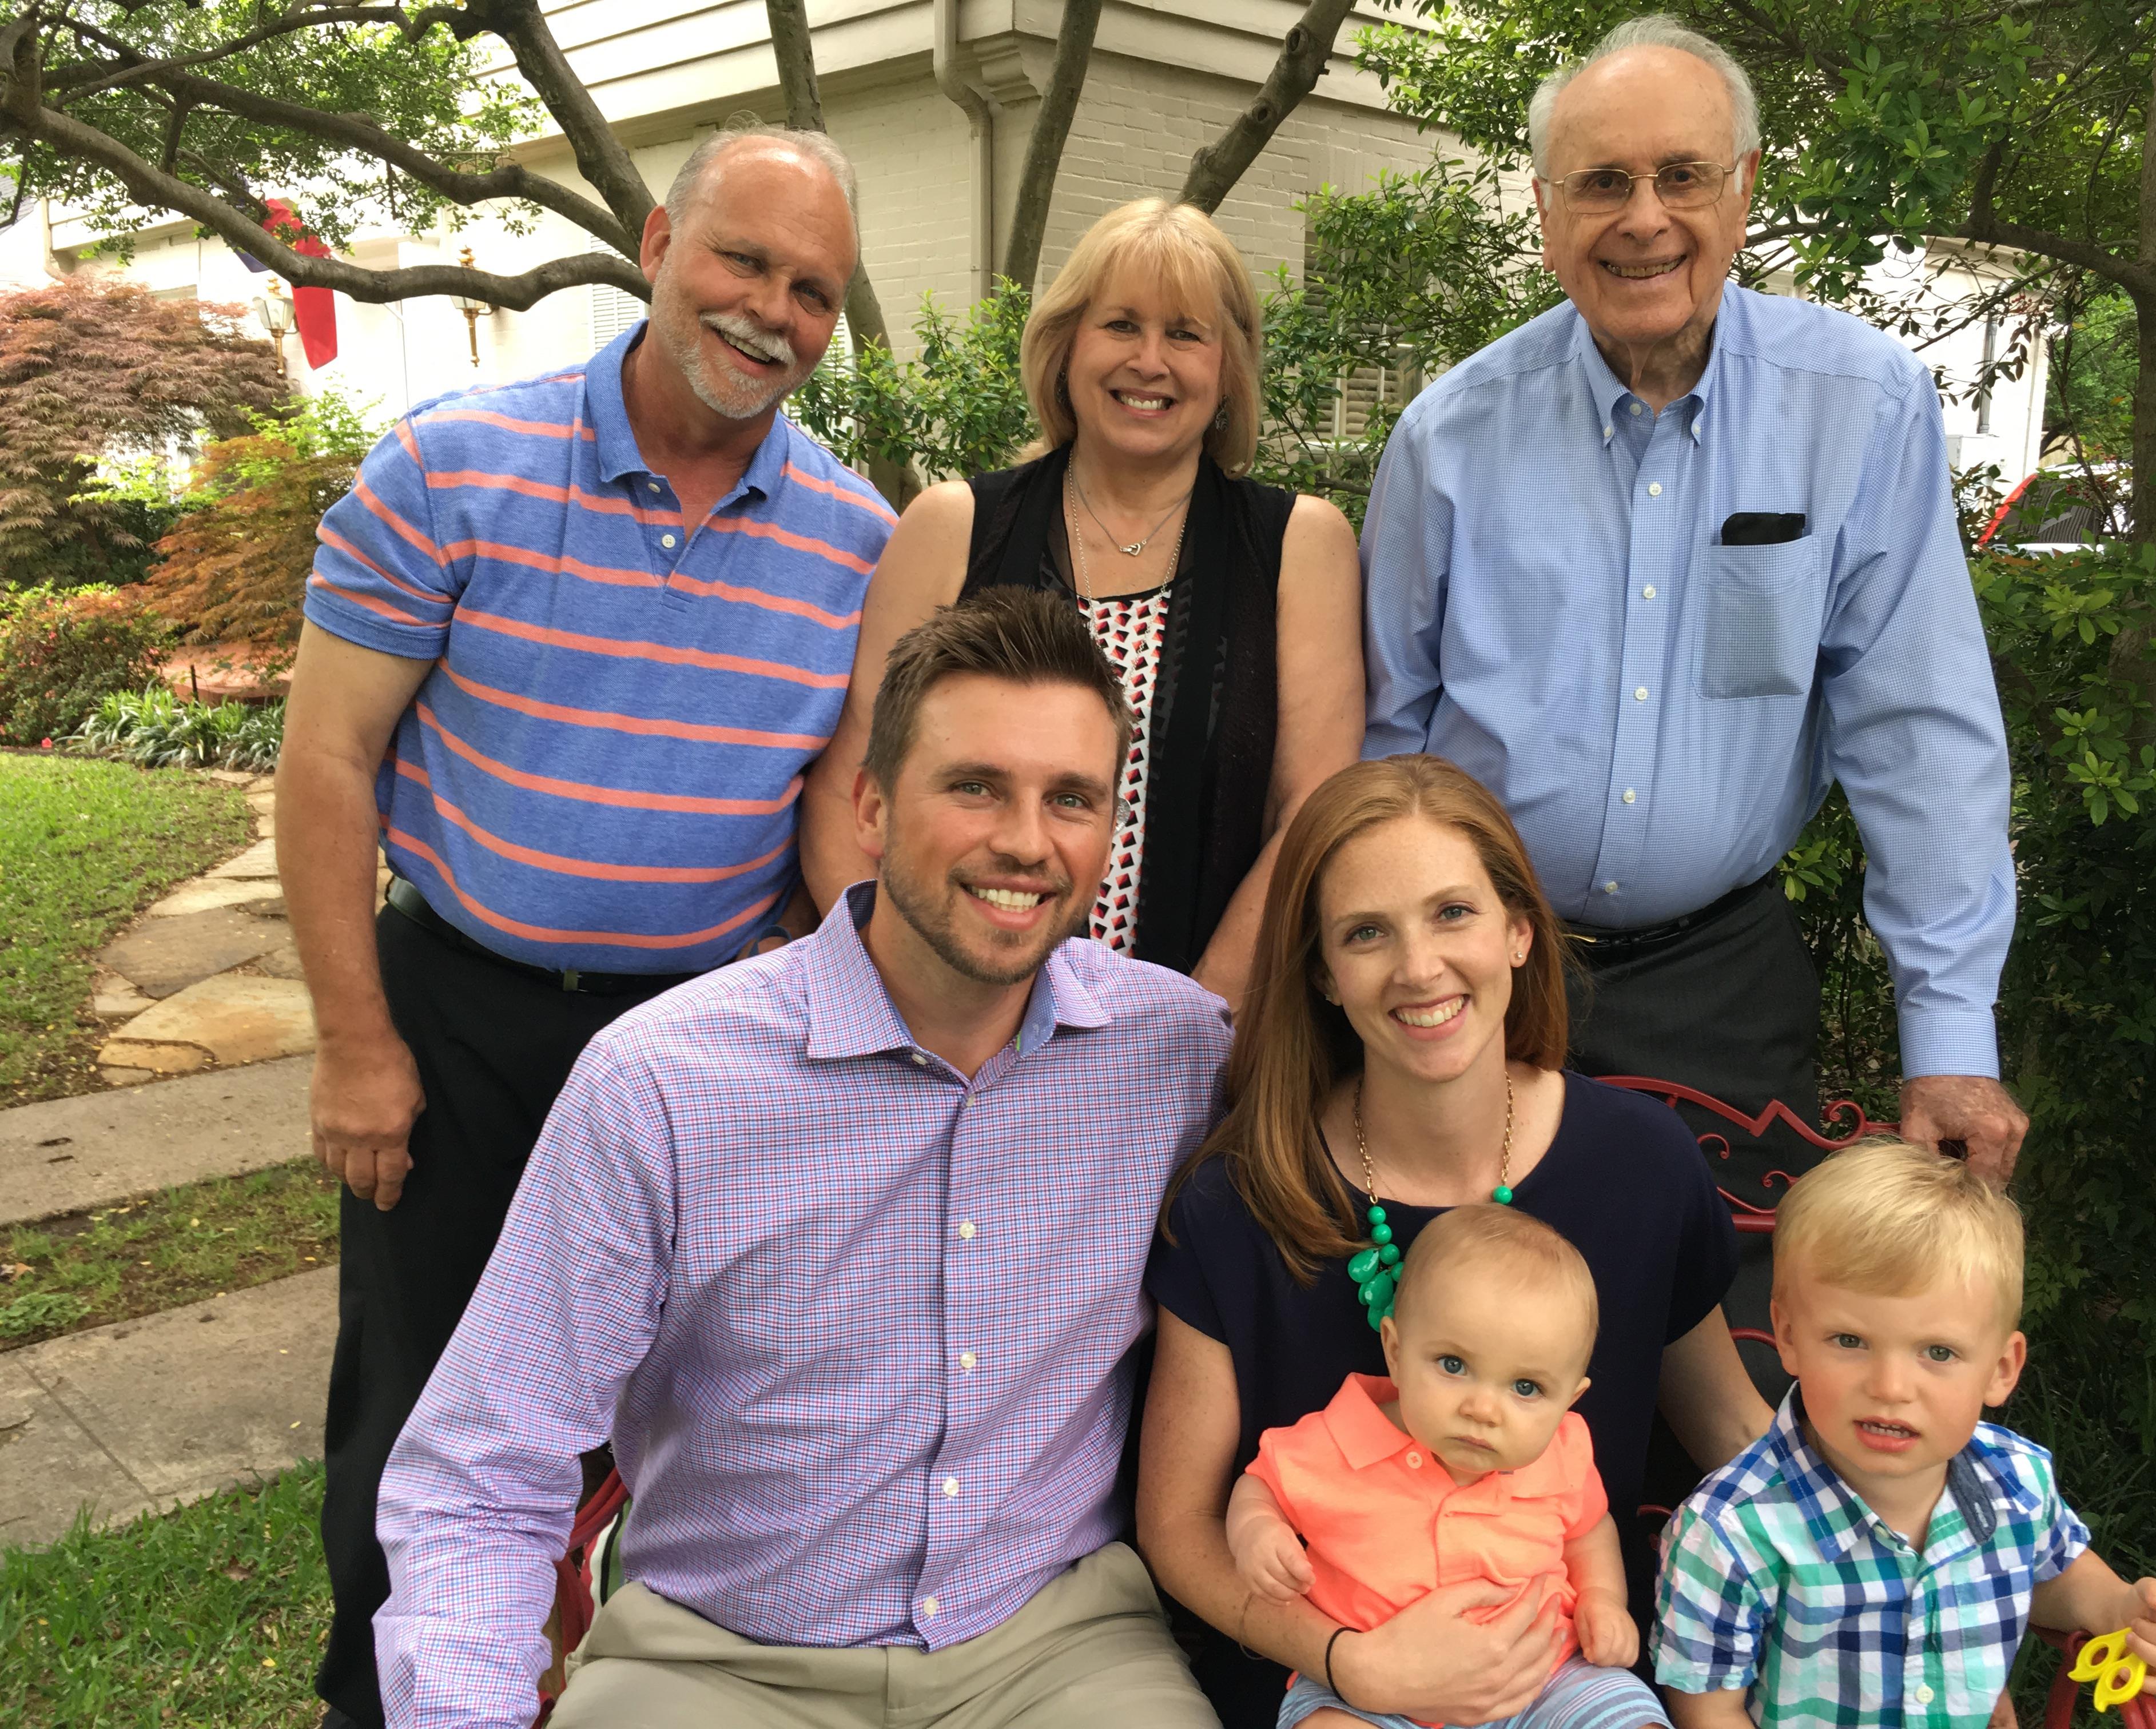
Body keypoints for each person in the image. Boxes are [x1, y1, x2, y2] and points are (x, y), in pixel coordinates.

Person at [274, 124, 893, 1729]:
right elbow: (328, 758)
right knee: (429, 1417)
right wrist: (355, 1042)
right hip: (458, 1016)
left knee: (682, 1426)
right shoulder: (451, 463)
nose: (772, 310)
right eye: (744, 260)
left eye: (812, 290)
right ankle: (385, 1701)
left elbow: (840, 821)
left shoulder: (856, 544)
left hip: (693, 1042)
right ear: (656, 244)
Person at [370, 588, 1232, 1728]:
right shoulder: (665, 1084)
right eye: (975, 786)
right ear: (871, 806)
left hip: (1055, 1653)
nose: (1026, 841)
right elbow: (485, 1467)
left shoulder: (1172, 1051)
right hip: (717, 1663)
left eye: (1069, 798)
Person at [1358, 18, 2028, 1289]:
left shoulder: (1859, 408)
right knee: (1473, 1365)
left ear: (1745, 188)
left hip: (1724, 980)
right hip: (1483, 977)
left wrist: (1950, 1037)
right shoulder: (1447, 438)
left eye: (1682, 176)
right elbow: (1388, 741)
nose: (1644, 220)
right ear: (1549, 213)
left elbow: (1916, 732)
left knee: (1733, 1369)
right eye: (1602, 184)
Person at [1136, 755, 1772, 1729]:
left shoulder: (1639, 1166)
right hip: (1336, 1669)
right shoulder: (1240, 1199)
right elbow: (1177, 1527)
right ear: (1323, 972)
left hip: (1557, 1671)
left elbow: (1730, 1433)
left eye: (1453, 913)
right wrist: (1349, 1659)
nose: (1419, 966)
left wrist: (1930, 1571)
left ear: (1519, 931)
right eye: (1365, 932)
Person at [801, 196, 1364, 1007]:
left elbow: (1310, 813)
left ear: (1229, 368)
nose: (1150, 361)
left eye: (1186, 333)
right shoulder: (952, 530)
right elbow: (851, 781)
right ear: (1065, 345)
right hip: (944, 1024)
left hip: (1199, 1037)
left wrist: (1191, 1024)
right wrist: (894, 999)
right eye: (1121, 326)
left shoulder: (1297, 548)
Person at [1652, 1140, 2156, 1727]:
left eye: (1938, 1352)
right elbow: (1709, 1712)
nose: (1891, 1387)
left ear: (2001, 1369)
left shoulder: (2014, 1481)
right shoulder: (1731, 1531)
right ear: (1788, 1336)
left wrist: (2125, 1611)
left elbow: (2058, 1576)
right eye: (1850, 1341)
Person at [1230, 1206, 1669, 1729]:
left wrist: (1602, 1598)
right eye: (1453, 1366)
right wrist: (1256, 1530)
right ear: (1395, 1351)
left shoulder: (1563, 1450)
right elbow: (1261, 1485)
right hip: (1376, 1692)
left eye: (1526, 1388)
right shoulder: (1337, 1439)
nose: (1483, 1409)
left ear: (1569, 1402)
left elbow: (1589, 1529)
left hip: (1543, 1676)